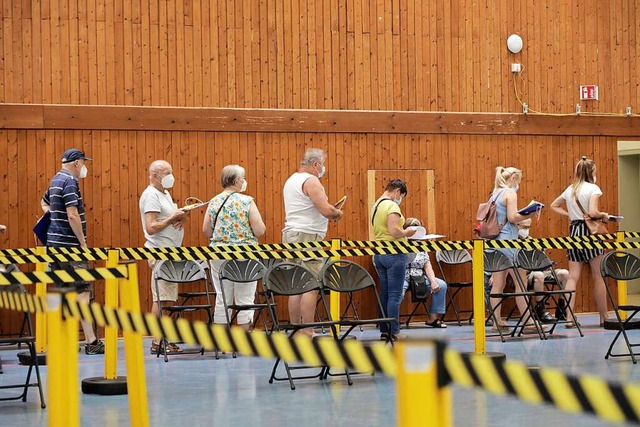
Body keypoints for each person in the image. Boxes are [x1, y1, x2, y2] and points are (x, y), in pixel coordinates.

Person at [41, 148, 104, 355]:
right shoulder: (70, 182)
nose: (84, 167)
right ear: (77, 163)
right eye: (84, 163)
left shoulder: (55, 180)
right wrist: (83, 243)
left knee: (64, 291)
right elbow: (73, 215)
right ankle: (91, 341)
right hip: (70, 247)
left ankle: (63, 340)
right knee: (83, 292)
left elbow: (44, 202)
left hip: (54, 246)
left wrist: (54, 220)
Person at [282, 148, 343, 337]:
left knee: (296, 284)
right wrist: (337, 213)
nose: (323, 168)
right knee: (311, 283)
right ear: (316, 164)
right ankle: (308, 330)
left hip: (291, 234)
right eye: (323, 164)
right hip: (308, 236)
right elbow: (325, 210)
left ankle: (296, 329)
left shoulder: (291, 180)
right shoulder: (311, 181)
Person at [203, 165, 266, 331]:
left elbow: (206, 231)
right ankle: (243, 338)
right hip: (245, 256)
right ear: (237, 181)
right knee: (245, 296)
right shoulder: (247, 201)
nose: (245, 181)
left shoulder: (214, 201)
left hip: (218, 255)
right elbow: (259, 230)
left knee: (222, 296)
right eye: (243, 178)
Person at [550, 156, 610, 328]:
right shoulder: (593, 188)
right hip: (589, 233)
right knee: (598, 276)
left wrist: (570, 215)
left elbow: (554, 205)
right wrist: (604, 215)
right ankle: (603, 317)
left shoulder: (570, 189)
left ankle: (569, 318)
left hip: (574, 232)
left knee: (573, 276)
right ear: (592, 172)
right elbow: (592, 212)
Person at [486, 166, 544, 333]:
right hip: (509, 242)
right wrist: (530, 213)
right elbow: (512, 218)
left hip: (495, 242)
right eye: (519, 181)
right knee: (521, 281)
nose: (519, 184)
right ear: (513, 179)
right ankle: (528, 322)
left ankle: (496, 322)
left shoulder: (494, 193)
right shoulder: (510, 193)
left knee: (498, 284)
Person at [139, 160, 189, 354]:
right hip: (160, 252)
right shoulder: (151, 195)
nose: (170, 176)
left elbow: (169, 218)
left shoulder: (164, 193)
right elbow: (151, 227)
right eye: (166, 172)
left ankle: (163, 338)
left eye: (171, 171)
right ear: (154, 175)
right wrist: (171, 219)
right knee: (161, 298)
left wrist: (181, 216)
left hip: (171, 251)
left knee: (168, 298)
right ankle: (157, 341)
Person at [371, 179, 416, 341]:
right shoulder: (392, 206)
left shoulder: (376, 205)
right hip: (394, 253)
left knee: (384, 293)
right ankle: (395, 331)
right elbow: (394, 231)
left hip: (379, 253)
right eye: (402, 195)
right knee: (395, 295)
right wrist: (408, 232)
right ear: (397, 191)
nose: (400, 199)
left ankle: (384, 329)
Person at [516, 218, 569, 323]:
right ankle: (540, 309)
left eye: (528, 227)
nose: (527, 230)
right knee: (539, 275)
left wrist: (541, 254)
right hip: (524, 274)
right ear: (517, 226)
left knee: (565, 274)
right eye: (524, 227)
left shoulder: (532, 240)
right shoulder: (511, 240)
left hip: (539, 269)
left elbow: (542, 262)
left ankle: (561, 308)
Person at [401, 218, 448, 328]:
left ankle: (433, 318)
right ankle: (393, 320)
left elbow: (427, 265)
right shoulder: (401, 244)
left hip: (419, 276)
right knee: (397, 291)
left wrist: (432, 281)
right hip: (403, 276)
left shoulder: (422, 246)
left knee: (441, 285)